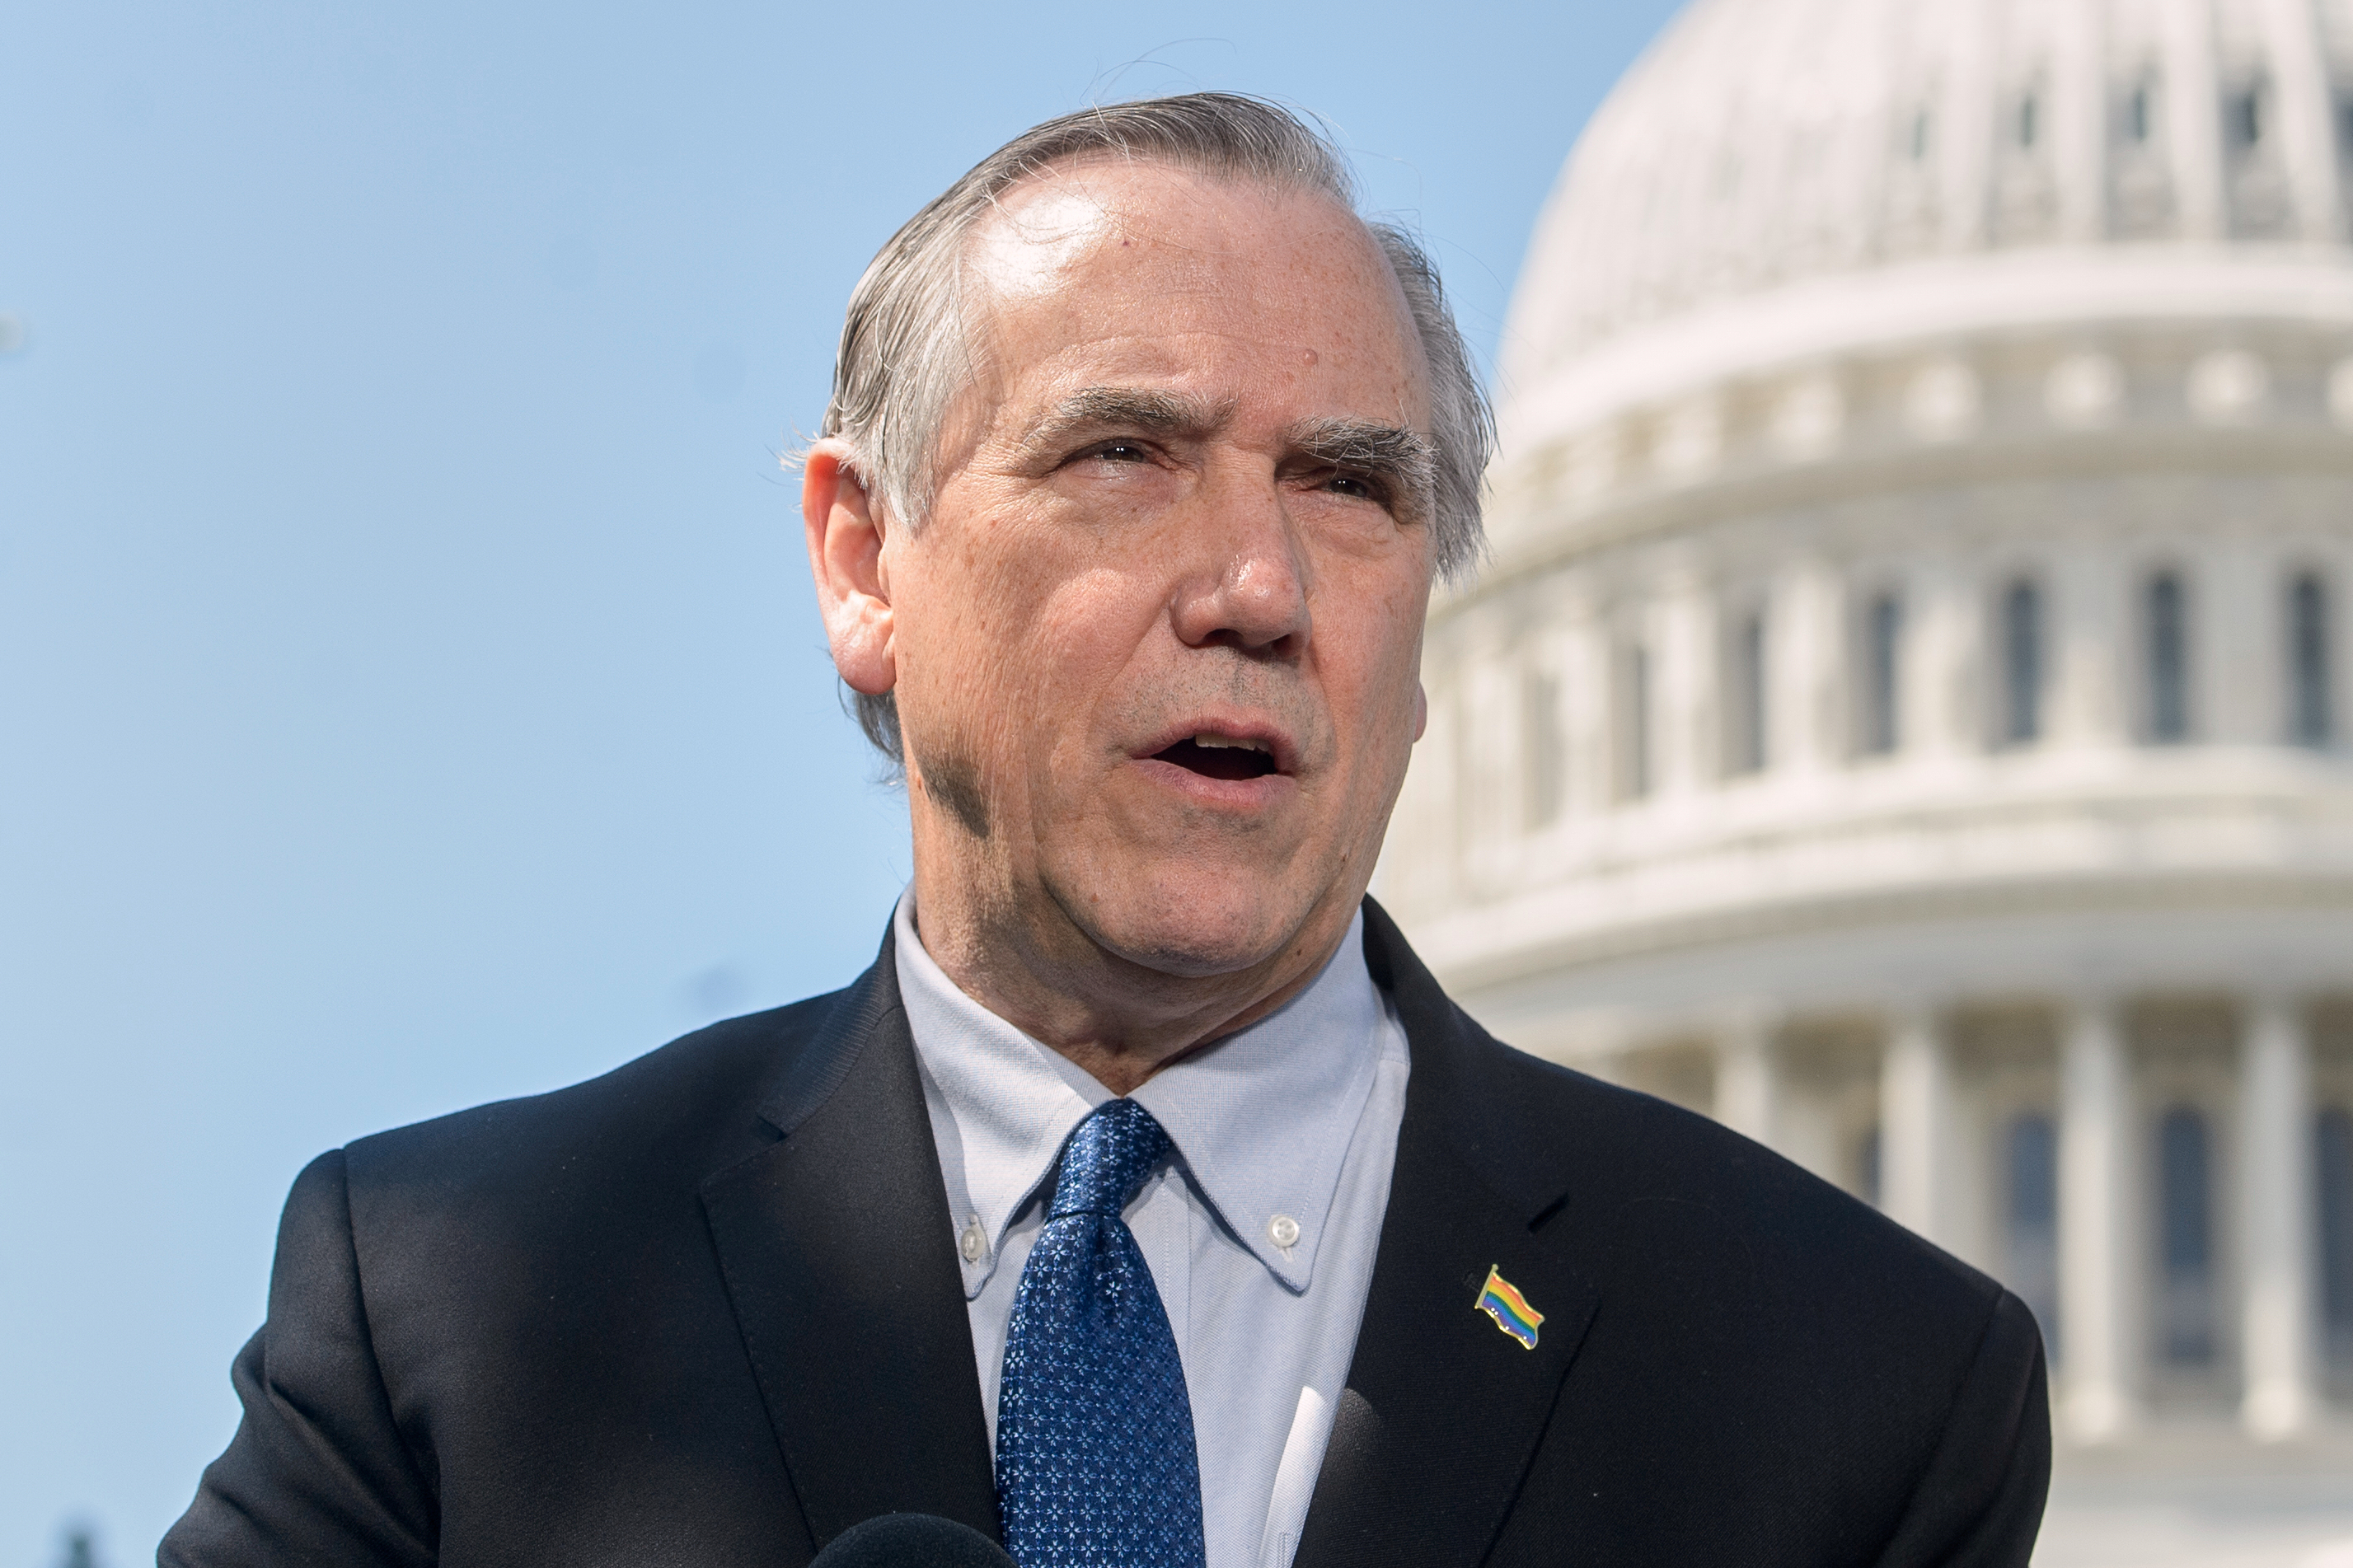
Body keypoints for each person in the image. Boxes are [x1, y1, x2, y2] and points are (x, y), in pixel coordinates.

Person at [162, 94, 2048, 1568]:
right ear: (864, 558)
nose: (1257, 585)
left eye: (1350, 484)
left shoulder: (1851, 1384)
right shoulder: (460, 1309)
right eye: (1124, 454)